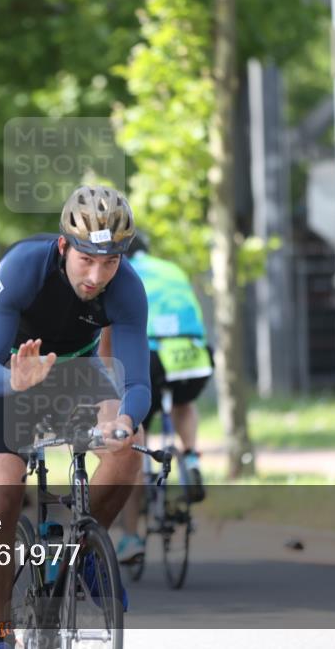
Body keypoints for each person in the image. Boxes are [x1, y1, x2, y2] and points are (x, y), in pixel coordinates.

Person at [0, 186, 150, 649]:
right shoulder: (24, 268)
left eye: (110, 262)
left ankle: (84, 551)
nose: (97, 276)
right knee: (1, 498)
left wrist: (124, 422)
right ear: (65, 245)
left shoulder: (127, 287)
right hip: (9, 376)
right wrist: (15, 381)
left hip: (77, 375)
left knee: (129, 450)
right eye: (87, 260)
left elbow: (137, 384)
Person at [104, 233, 214, 563]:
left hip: (152, 352)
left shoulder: (119, 274)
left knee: (134, 442)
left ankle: (132, 537)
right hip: (194, 353)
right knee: (183, 401)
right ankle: (191, 457)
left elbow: (109, 335)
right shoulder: (171, 269)